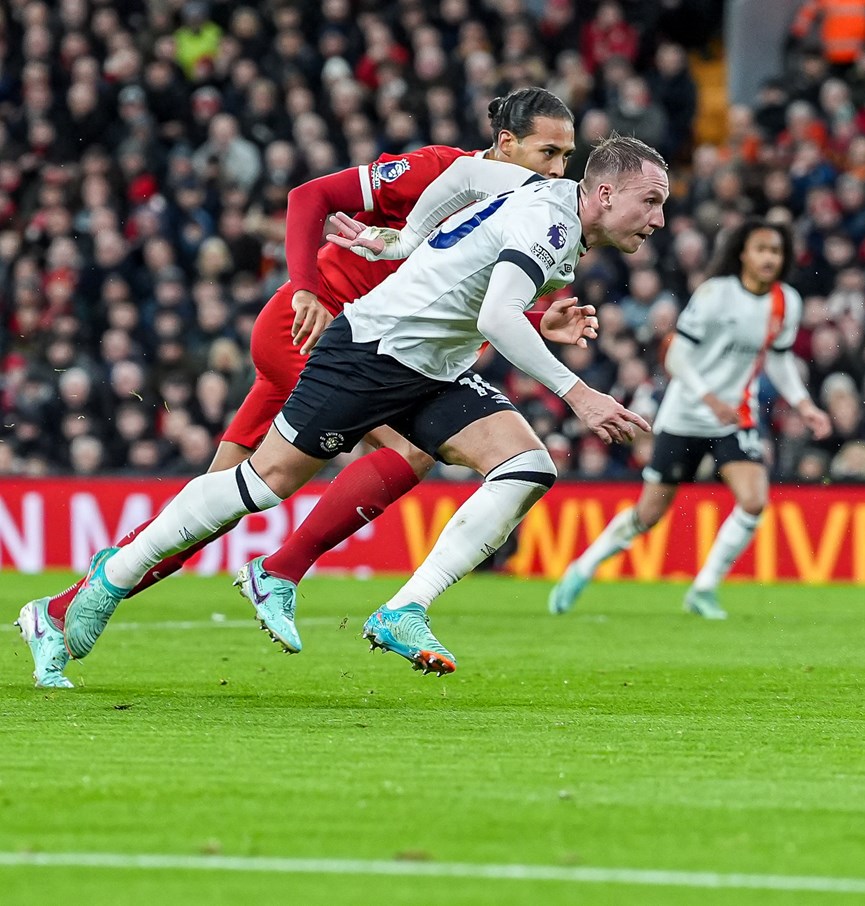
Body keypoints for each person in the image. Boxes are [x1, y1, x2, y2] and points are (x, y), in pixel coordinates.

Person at [16, 88, 587, 688]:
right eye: (547, 152)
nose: (557, 170)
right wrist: (306, 285)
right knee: (408, 451)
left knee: (215, 506)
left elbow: (457, 303)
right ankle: (282, 570)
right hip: (317, 328)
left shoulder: (531, 214)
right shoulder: (441, 172)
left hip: (364, 350)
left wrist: (535, 321)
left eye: (566, 157)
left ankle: (55, 614)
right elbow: (309, 196)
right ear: (505, 144)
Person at [548, 219, 832, 619]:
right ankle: (584, 567)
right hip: (685, 414)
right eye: (761, 249)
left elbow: (780, 358)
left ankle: (704, 588)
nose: (769, 257)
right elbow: (676, 355)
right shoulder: (716, 294)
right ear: (743, 254)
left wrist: (804, 405)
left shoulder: (786, 302)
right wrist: (710, 399)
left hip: (735, 416)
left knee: (753, 501)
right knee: (648, 516)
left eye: (776, 251)